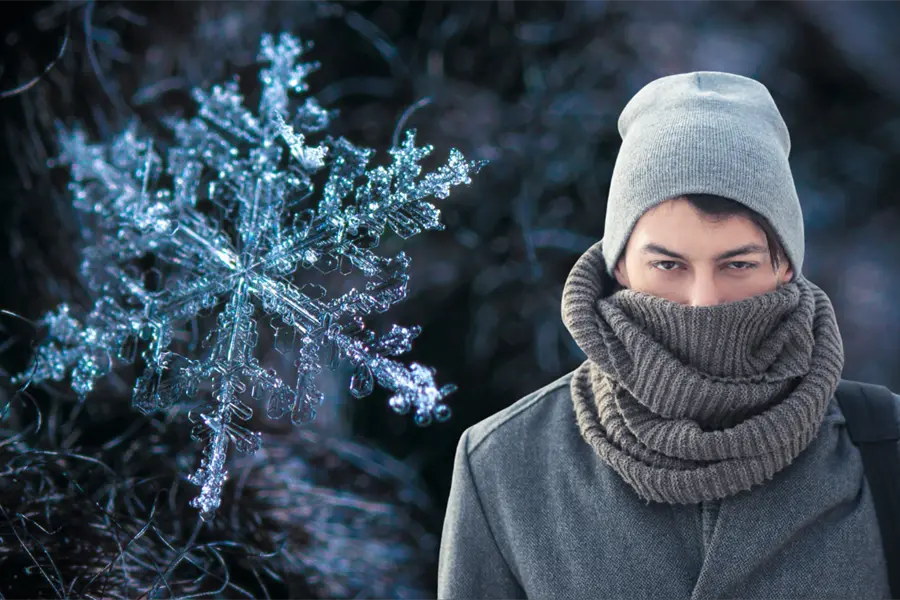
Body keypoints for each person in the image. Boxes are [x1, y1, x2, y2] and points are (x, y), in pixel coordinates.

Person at [437, 71, 894, 599]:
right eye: (669, 266)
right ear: (620, 268)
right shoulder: (503, 467)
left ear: (786, 266)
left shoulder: (886, 452)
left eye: (738, 265)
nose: (705, 301)